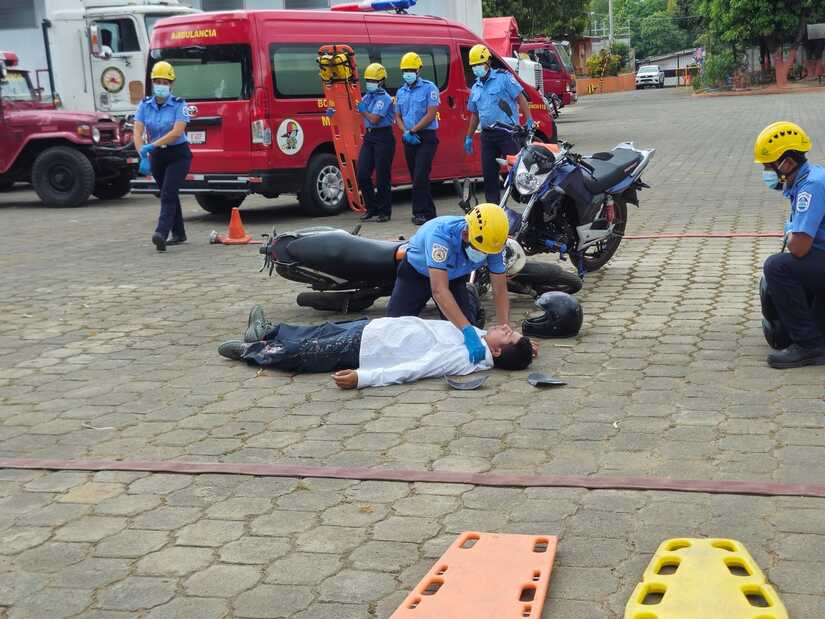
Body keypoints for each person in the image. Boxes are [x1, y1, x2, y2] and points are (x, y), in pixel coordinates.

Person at [217, 305, 536, 389]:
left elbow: (415, 370)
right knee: (316, 331)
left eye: (508, 336)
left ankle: (253, 351)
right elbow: (508, 347)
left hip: (367, 350)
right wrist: (524, 348)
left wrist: (364, 378)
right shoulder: (480, 340)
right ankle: (267, 332)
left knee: (308, 352)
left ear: (495, 353)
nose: (507, 328)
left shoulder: (467, 356)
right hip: (375, 330)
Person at [386, 203, 511, 364]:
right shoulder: (441, 234)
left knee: (461, 335)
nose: (483, 254)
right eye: (478, 249)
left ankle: (469, 296)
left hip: (454, 278)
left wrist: (505, 328)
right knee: (392, 331)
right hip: (416, 275)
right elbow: (439, 290)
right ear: (466, 234)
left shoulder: (493, 242)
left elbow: (500, 289)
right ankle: (469, 297)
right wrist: (467, 330)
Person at [756, 121, 825, 368]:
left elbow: (799, 248)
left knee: (778, 266)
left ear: (786, 163)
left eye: (768, 166)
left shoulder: (811, 187)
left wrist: (789, 233)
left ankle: (809, 346)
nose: (766, 172)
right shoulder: (809, 178)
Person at [464, 44, 534, 204]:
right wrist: (468, 137)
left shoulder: (503, 78)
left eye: (479, 64)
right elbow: (475, 114)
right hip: (487, 136)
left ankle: (530, 202)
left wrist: (528, 119)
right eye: (473, 66)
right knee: (489, 175)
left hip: (508, 133)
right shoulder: (475, 88)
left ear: (488, 62)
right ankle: (493, 208)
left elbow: (520, 98)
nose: (476, 68)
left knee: (517, 171)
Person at [134, 60, 192, 252]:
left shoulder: (179, 104)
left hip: (178, 154)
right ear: (153, 83)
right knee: (169, 193)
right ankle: (179, 233)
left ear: (171, 84)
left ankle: (161, 233)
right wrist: (141, 152)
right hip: (157, 156)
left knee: (167, 193)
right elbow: (137, 130)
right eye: (158, 82)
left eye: (165, 82)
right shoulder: (144, 105)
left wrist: (151, 145)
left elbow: (177, 132)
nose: (161, 86)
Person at [395, 52, 440, 225]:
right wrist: (405, 131)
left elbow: (431, 114)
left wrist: (413, 130)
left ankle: (419, 212)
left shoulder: (429, 88)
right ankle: (430, 212)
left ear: (419, 70)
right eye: (405, 70)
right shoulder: (401, 91)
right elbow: (398, 115)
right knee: (417, 177)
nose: (408, 73)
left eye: (411, 70)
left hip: (426, 137)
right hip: (408, 137)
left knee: (421, 174)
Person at [357, 63, 395, 222]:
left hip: (383, 137)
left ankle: (384, 211)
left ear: (380, 81)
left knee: (382, 176)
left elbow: (374, 118)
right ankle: (371, 208)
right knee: (362, 174)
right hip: (370, 137)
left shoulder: (384, 99)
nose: (369, 83)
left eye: (373, 80)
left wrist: (362, 110)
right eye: (368, 80)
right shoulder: (367, 97)